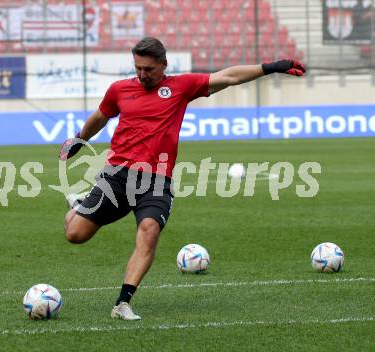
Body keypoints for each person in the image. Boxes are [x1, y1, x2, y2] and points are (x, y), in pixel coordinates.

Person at [59, 37, 305, 320]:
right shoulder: (119, 90)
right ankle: (79, 205)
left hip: (156, 181)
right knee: (75, 235)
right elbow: (100, 117)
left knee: (149, 230)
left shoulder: (180, 86)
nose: (142, 74)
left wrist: (273, 66)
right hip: (117, 176)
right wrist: (79, 140)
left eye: (149, 69)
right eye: (138, 68)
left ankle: (123, 302)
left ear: (164, 65)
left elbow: (228, 76)